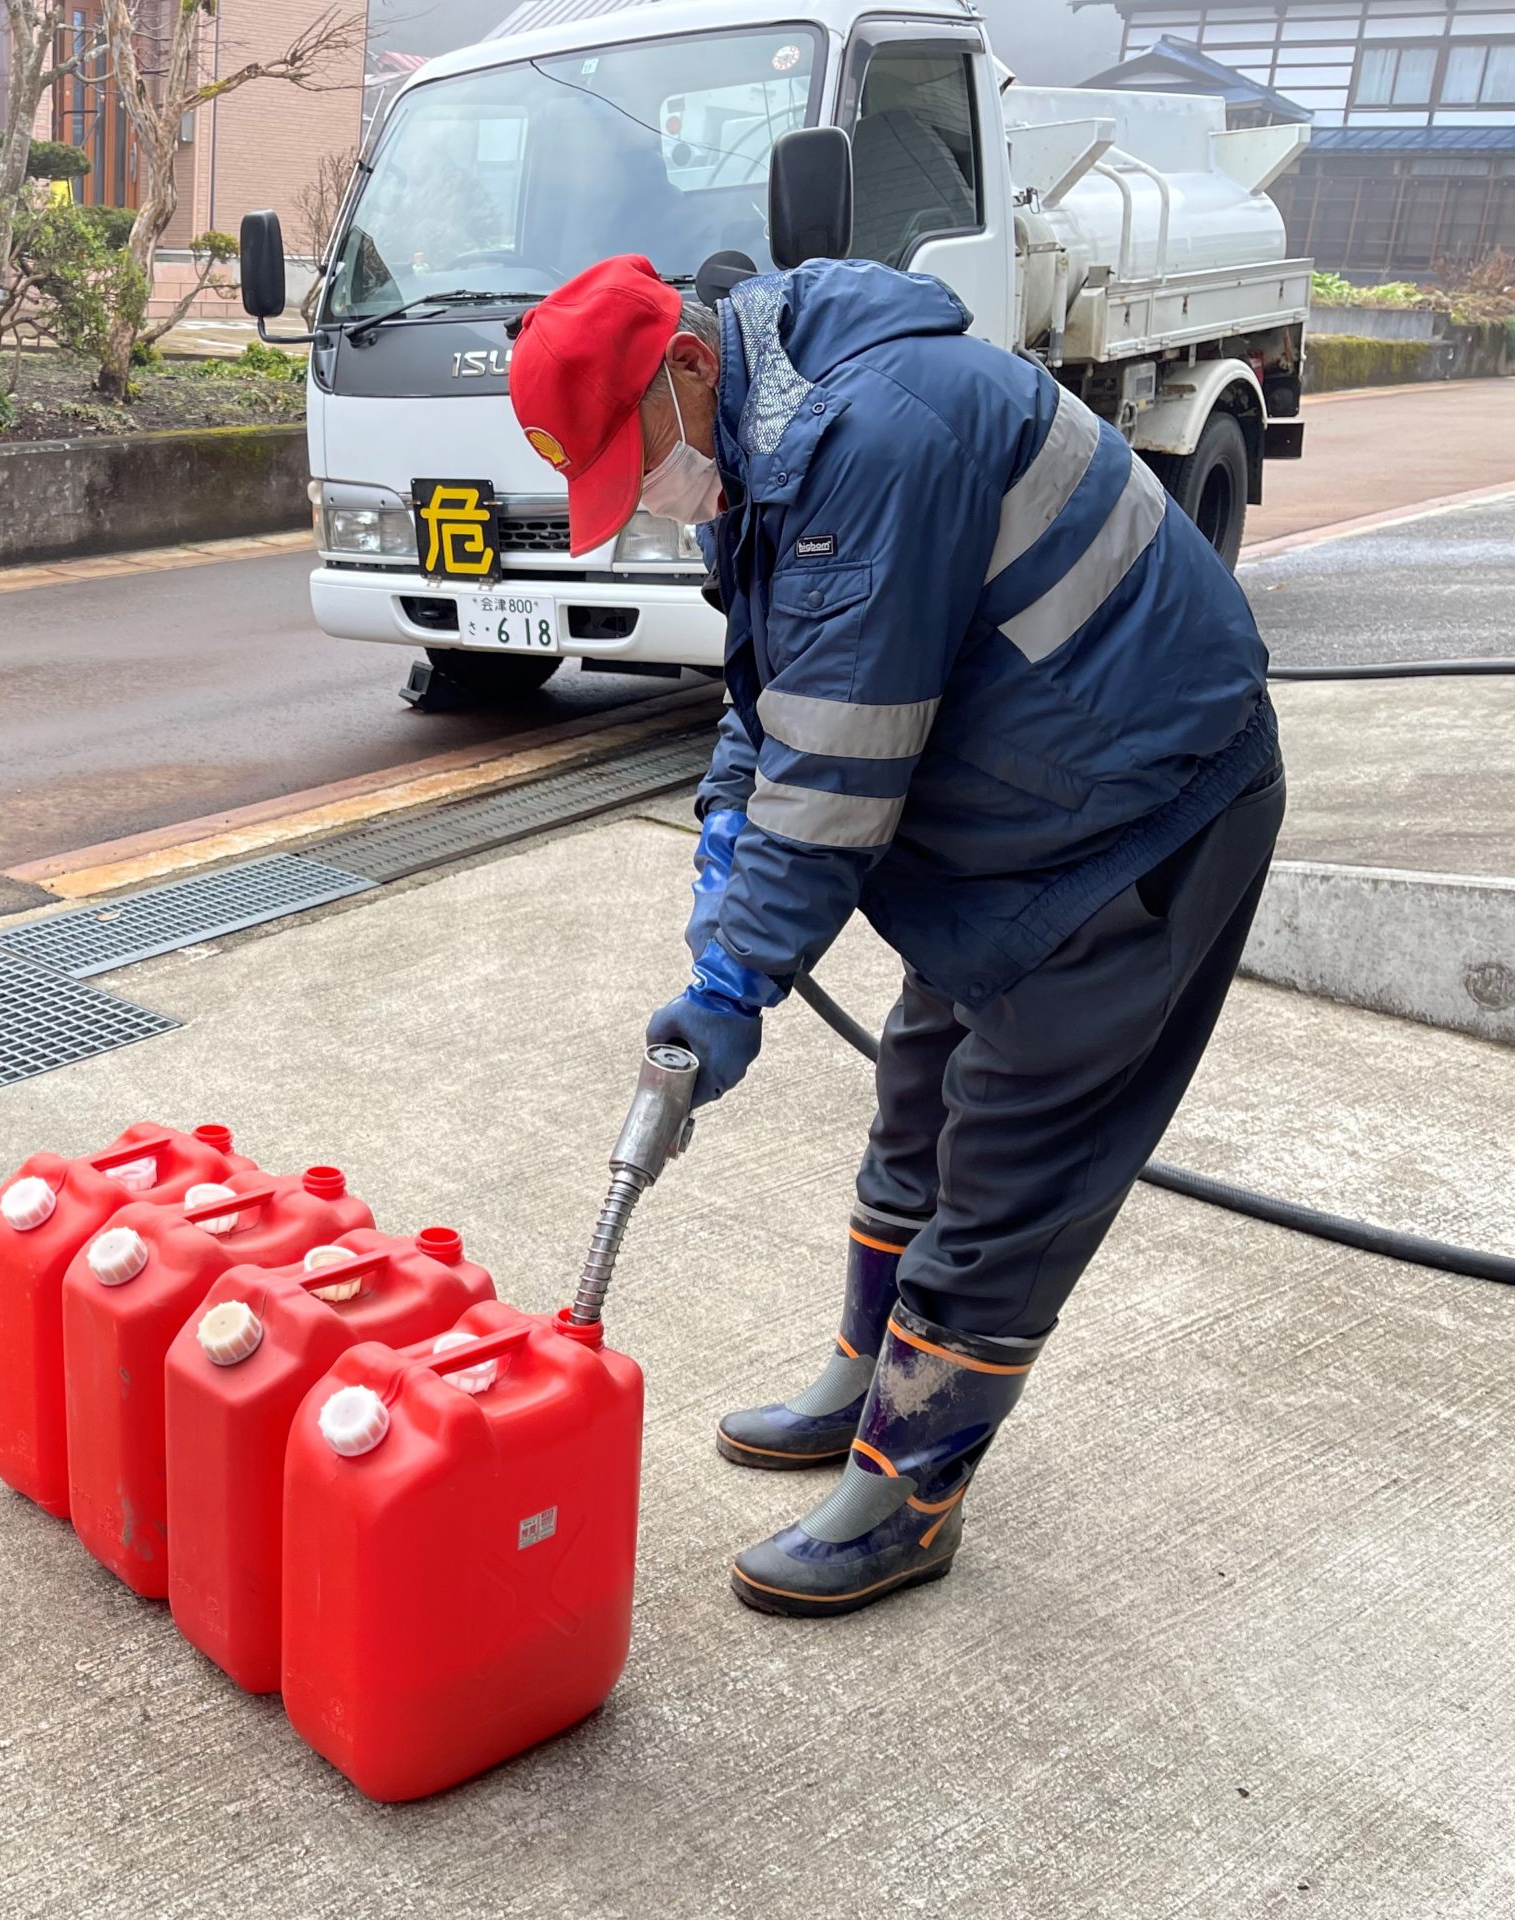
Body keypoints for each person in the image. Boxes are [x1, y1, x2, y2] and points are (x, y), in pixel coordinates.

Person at [508, 254, 1284, 1618]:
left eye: (637, 469)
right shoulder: (762, 442)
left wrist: (737, 979)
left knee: (1012, 1156)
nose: (649, 506)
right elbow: (777, 696)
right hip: (1015, 813)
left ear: (685, 369)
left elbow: (841, 776)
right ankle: (868, 1374)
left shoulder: (878, 434)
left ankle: (910, 1492)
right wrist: (722, 850)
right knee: (916, 1087)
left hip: (1145, 811)